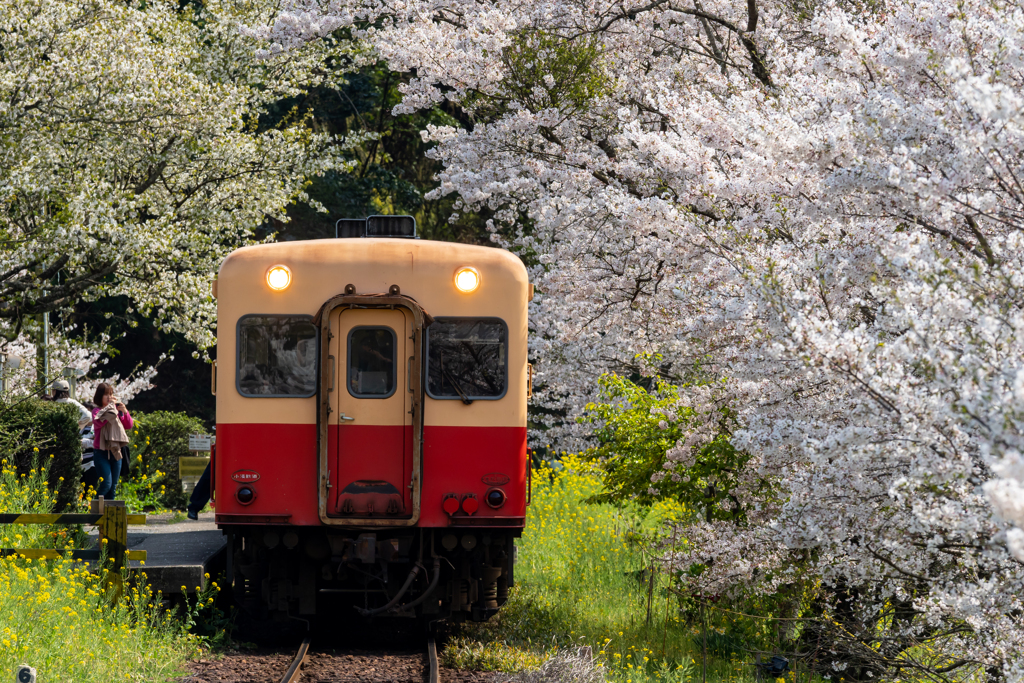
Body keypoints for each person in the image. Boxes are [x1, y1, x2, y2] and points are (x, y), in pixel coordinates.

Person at [91, 383, 133, 500]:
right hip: (101, 452)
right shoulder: (97, 411)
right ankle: (94, 509)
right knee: (106, 484)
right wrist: (111, 407)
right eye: (105, 394)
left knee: (113, 487)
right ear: (99, 396)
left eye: (111, 394)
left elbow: (128, 425)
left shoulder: (115, 410)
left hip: (116, 451)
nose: (109, 397)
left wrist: (125, 412)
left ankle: (109, 514)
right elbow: (100, 422)